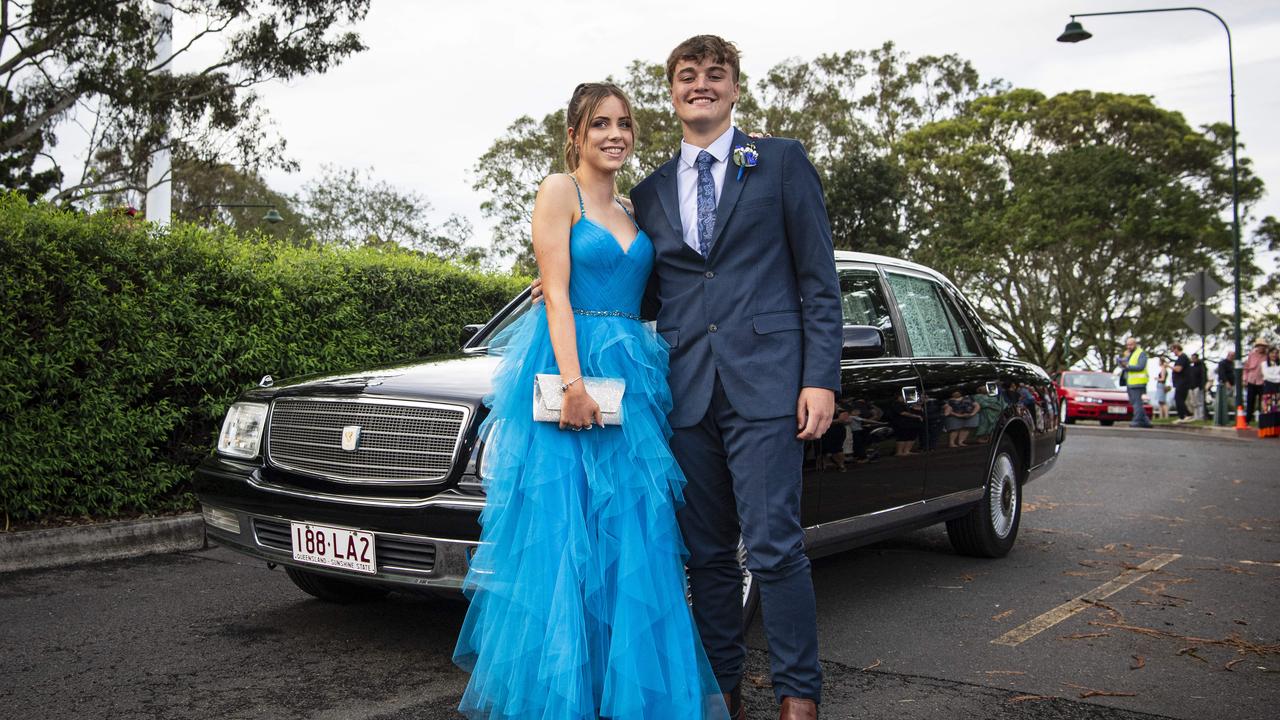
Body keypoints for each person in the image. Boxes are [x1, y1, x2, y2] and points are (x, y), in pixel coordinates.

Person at [452, 83, 729, 719]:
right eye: (599, 123)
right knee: (564, 536)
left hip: (633, 382)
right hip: (571, 374)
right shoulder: (559, 191)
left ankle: (619, 696)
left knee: (631, 536)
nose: (615, 134)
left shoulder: (634, 208)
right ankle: (560, 701)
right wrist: (573, 384)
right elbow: (553, 292)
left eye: (624, 123)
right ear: (575, 134)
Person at [630, 35, 842, 720]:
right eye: (687, 76)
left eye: (713, 75)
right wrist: (566, 285)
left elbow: (818, 280)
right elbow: (648, 293)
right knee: (709, 556)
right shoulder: (651, 191)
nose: (700, 85)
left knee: (776, 547)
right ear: (671, 92)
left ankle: (797, 696)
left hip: (769, 387)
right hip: (685, 394)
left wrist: (821, 378)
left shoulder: (780, 162)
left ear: (733, 88)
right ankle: (722, 691)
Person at [1117, 337, 1153, 428]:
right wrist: (1121, 362)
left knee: (1137, 403)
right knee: (1134, 402)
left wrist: (1127, 366)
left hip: (1138, 382)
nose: (1129, 346)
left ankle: (1137, 421)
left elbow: (1140, 366)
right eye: (1127, 345)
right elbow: (1125, 365)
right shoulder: (1130, 354)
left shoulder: (1141, 353)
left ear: (1135, 344)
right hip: (1130, 382)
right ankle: (1145, 421)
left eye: (1131, 345)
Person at [1243, 339, 1269, 424]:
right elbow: (1246, 368)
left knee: (1263, 402)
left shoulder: (1267, 356)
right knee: (1250, 401)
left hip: (1262, 382)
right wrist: (1245, 379)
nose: (1262, 347)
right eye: (1260, 345)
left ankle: (1263, 421)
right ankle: (1247, 420)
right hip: (1251, 381)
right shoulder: (1251, 354)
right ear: (1257, 346)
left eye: (1263, 346)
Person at [1260, 346, 1280, 438]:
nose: (1274, 355)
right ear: (1268, 354)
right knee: (1268, 409)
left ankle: (1275, 431)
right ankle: (1267, 431)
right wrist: (1277, 378)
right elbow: (1267, 375)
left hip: (1278, 387)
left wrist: (1276, 378)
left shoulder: (1278, 364)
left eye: (1276, 353)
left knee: (1277, 409)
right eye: (1272, 353)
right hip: (1268, 387)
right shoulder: (1264, 364)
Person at [1170, 343, 1191, 422]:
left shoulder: (1182, 357)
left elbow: (1178, 369)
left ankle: (1185, 415)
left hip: (1182, 382)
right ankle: (1183, 416)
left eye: (1173, 350)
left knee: (1179, 399)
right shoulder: (1180, 358)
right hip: (1180, 382)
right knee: (1179, 399)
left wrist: (1168, 366)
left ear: (1176, 349)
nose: (1173, 352)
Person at [1215, 350, 1236, 426]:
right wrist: (1226, 382)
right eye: (1230, 355)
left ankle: (1233, 419)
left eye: (1233, 355)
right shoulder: (1222, 363)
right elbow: (1222, 373)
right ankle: (1223, 419)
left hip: (1233, 385)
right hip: (1225, 385)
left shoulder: (1233, 364)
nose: (1232, 357)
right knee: (1224, 403)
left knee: (1233, 403)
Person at [1188, 353, 1206, 421]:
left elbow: (1203, 376)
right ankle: (1196, 416)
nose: (1193, 360)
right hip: (1191, 386)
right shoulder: (1191, 367)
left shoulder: (1201, 366)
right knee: (1193, 402)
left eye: (1194, 358)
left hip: (1198, 386)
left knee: (1199, 402)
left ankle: (1201, 416)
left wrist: (1202, 386)